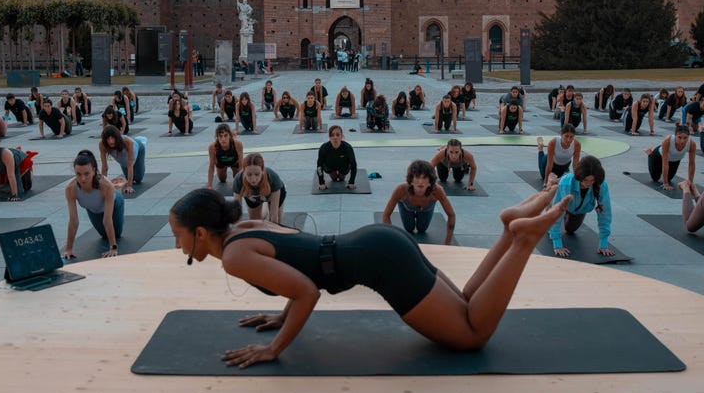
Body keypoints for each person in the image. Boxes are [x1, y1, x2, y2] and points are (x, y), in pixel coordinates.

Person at [167, 185, 574, 368]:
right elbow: (299, 265)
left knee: (472, 336)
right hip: (377, 242)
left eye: (178, 236)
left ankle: (522, 241)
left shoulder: (234, 258)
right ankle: (509, 228)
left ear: (201, 233)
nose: (177, 245)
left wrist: (276, 347)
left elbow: (307, 291)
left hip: (380, 262)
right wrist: (282, 313)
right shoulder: (242, 230)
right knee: (467, 305)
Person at [548, 156, 616, 258]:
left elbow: (605, 213)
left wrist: (603, 244)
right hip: (562, 200)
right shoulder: (567, 184)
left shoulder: (602, 186)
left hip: (577, 209)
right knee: (548, 221)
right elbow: (557, 212)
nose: (588, 184)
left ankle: (554, 181)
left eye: (592, 180)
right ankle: (551, 183)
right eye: (585, 180)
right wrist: (557, 243)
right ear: (579, 176)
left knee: (570, 230)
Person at [62, 151, 124, 260]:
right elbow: (73, 221)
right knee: (104, 235)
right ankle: (117, 184)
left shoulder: (105, 185)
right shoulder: (70, 189)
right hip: (93, 209)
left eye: (87, 174)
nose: (83, 179)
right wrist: (68, 249)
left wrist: (113, 248)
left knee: (117, 234)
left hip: (114, 204)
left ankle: (117, 187)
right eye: (78, 174)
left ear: (94, 171)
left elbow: (107, 219)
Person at [382, 160, 456, 245]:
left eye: (424, 178)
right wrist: (390, 240)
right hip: (406, 207)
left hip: (427, 208)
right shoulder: (401, 190)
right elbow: (386, 214)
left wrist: (447, 243)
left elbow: (451, 215)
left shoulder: (437, 191)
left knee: (422, 229)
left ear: (430, 182)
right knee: (409, 228)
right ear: (411, 180)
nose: (420, 182)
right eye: (417, 177)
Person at [0, 132, 36, 201]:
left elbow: (11, 175)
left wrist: (14, 195)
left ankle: (29, 174)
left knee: (26, 186)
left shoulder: (5, 154)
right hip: (2, 168)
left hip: (18, 164)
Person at [232, 153, 287, 223]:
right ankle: (265, 205)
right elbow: (237, 213)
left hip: (273, 194)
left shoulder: (273, 177)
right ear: (244, 172)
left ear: (262, 171)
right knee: (255, 223)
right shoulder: (238, 179)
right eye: (249, 175)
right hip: (252, 196)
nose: (253, 179)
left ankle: (266, 203)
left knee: (277, 222)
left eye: (257, 174)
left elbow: (273, 216)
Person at [646, 125, 697, 190]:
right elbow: (665, 164)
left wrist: (690, 181)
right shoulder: (668, 140)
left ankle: (653, 149)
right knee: (655, 178)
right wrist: (665, 184)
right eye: (679, 137)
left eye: (685, 138)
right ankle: (650, 152)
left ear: (688, 137)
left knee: (669, 178)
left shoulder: (692, 144)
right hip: (659, 156)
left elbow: (692, 164)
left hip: (675, 159)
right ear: (675, 135)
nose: (682, 141)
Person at [99, 125, 147, 194]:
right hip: (124, 159)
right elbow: (104, 167)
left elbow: (130, 164)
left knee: (138, 179)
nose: (110, 141)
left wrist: (129, 186)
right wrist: (103, 186)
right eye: (108, 139)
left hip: (138, 149)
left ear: (117, 137)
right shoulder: (102, 145)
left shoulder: (127, 142)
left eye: (112, 138)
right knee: (129, 178)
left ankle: (140, 163)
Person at [316, 125, 357, 189]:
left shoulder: (348, 148)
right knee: (334, 178)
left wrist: (351, 182)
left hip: (343, 166)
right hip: (330, 166)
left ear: (342, 137)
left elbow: (353, 165)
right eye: (332, 135)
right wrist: (321, 183)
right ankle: (333, 173)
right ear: (329, 137)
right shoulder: (324, 148)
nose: (335, 137)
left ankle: (341, 174)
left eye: (338, 135)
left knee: (341, 178)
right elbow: (319, 166)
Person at [207, 124, 244, 188]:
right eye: (220, 136)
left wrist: (243, 183)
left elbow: (241, 165)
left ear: (229, 136)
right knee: (222, 180)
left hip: (234, 162)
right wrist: (209, 185)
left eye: (225, 135)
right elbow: (211, 167)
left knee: (236, 178)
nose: (223, 139)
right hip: (221, 162)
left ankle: (234, 135)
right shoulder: (212, 147)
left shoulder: (237, 144)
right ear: (217, 137)